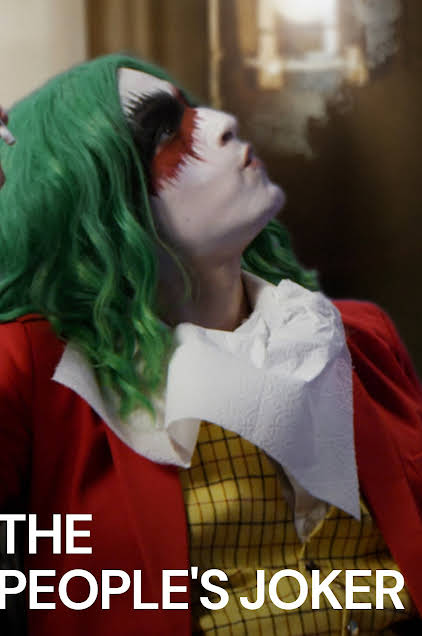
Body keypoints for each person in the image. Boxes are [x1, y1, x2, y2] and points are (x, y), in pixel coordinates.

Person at [0, 54, 421, 636]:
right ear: (85, 198)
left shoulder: (356, 336)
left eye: (194, 109)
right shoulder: (39, 371)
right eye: (163, 130)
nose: (222, 123)